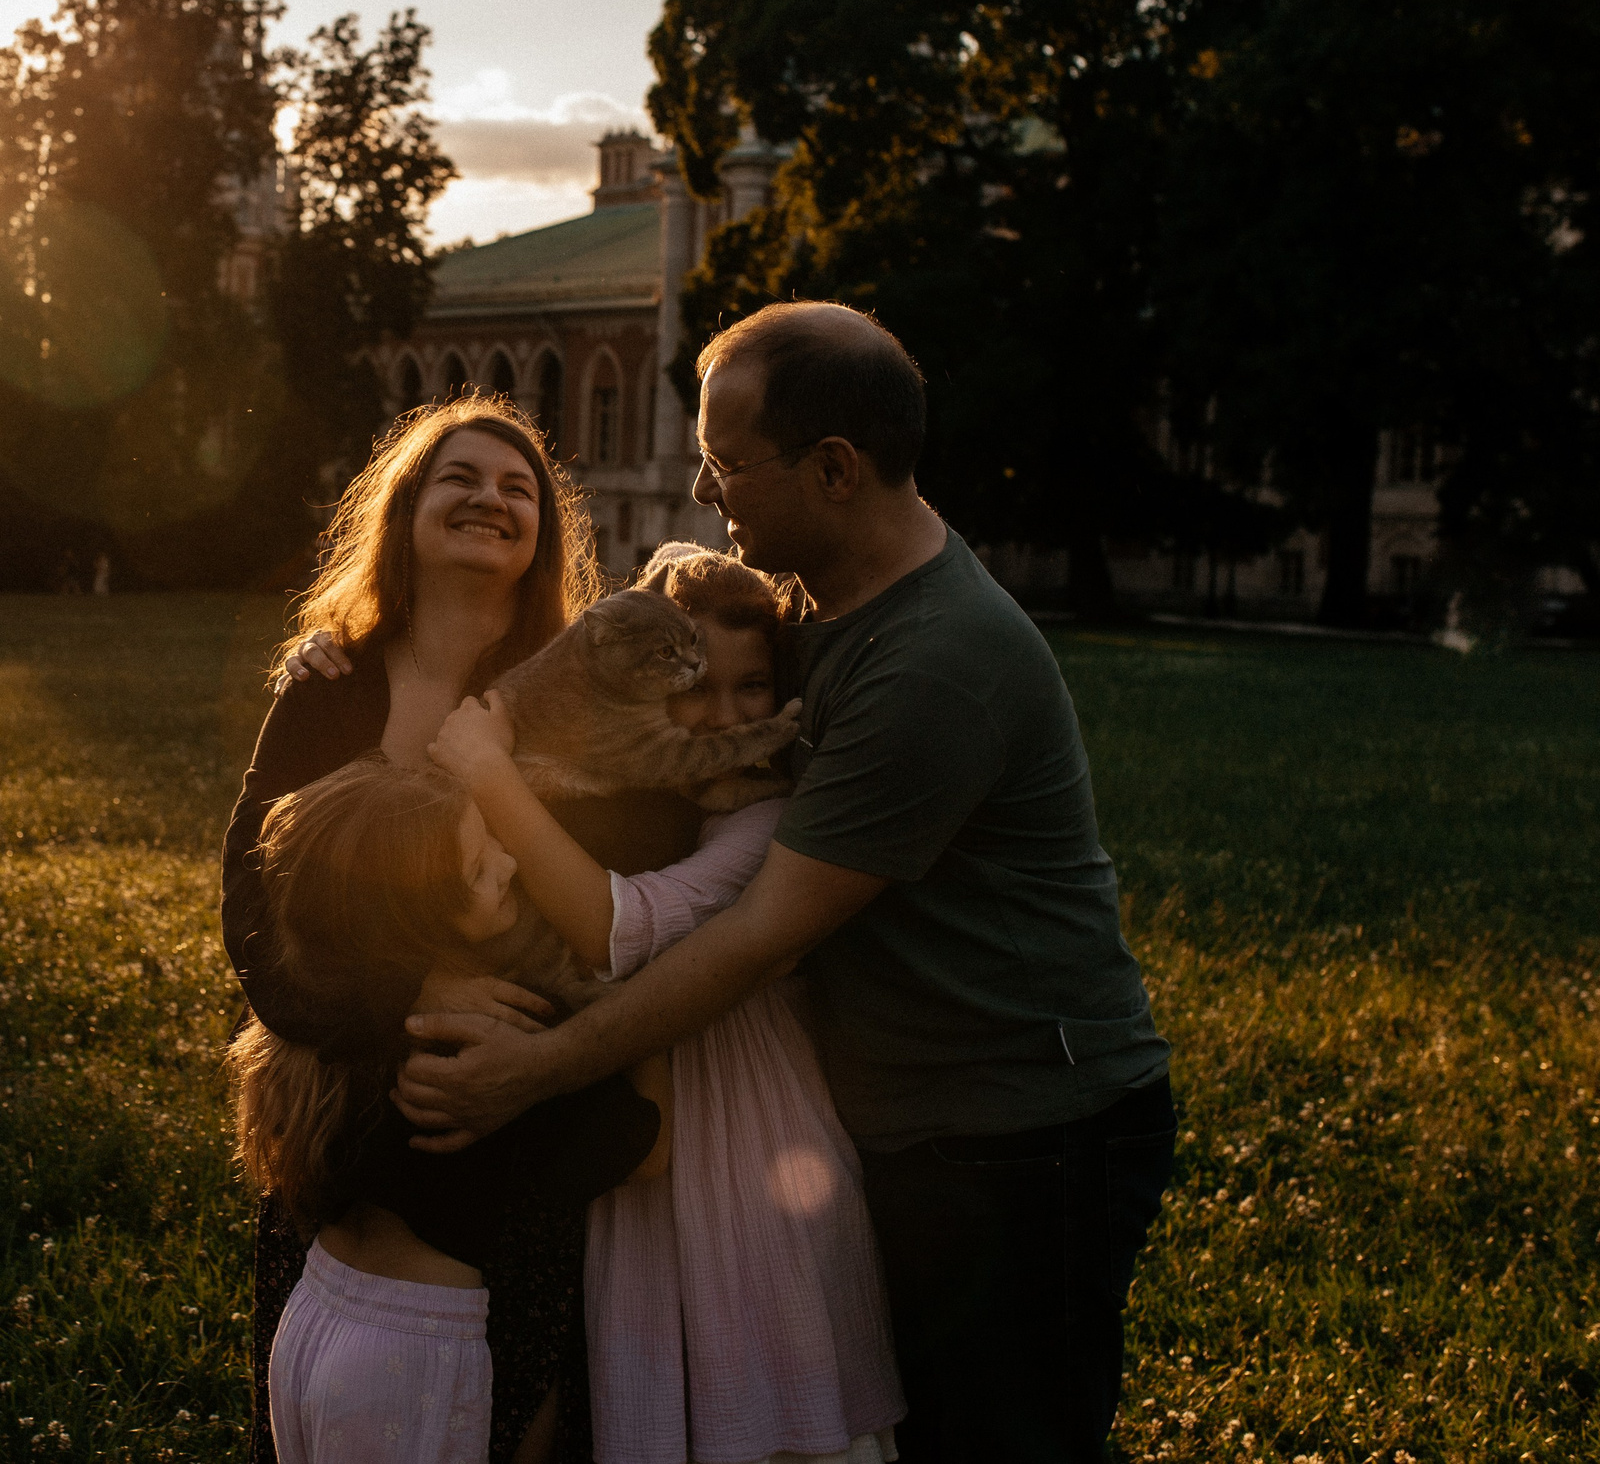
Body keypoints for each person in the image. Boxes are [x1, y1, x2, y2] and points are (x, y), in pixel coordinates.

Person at [396, 303, 1177, 1463]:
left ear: (834, 468)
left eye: (725, 465)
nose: (708, 494)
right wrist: (365, 653)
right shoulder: (812, 599)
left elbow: (756, 933)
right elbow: (622, 652)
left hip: (1022, 1128)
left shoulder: (934, 661)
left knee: (1006, 1435)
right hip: (914, 1115)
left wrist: (536, 1071)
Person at [225, 393, 701, 1464]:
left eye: (518, 486)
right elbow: (251, 907)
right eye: (460, 477)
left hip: (514, 1128)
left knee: (501, 1413)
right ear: (404, 510)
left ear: (545, 534)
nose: (490, 497)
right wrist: (403, 1002)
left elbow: (641, 874)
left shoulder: (582, 693)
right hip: (334, 1118)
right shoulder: (328, 687)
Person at [427, 542, 903, 1464]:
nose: (721, 713)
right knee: (642, 1369)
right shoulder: (646, 785)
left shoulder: (768, 817)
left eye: (755, 687)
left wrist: (492, 773)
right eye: (697, 687)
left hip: (749, 1117)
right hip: (632, 1112)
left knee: (767, 1364)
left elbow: (627, 932)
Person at [231, 758, 663, 1464]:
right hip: (411, 1360)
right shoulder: (484, 1044)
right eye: (478, 868)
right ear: (417, 918)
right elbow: (649, 1147)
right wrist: (647, 998)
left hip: (310, 1325)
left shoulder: (332, 1037)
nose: (509, 860)